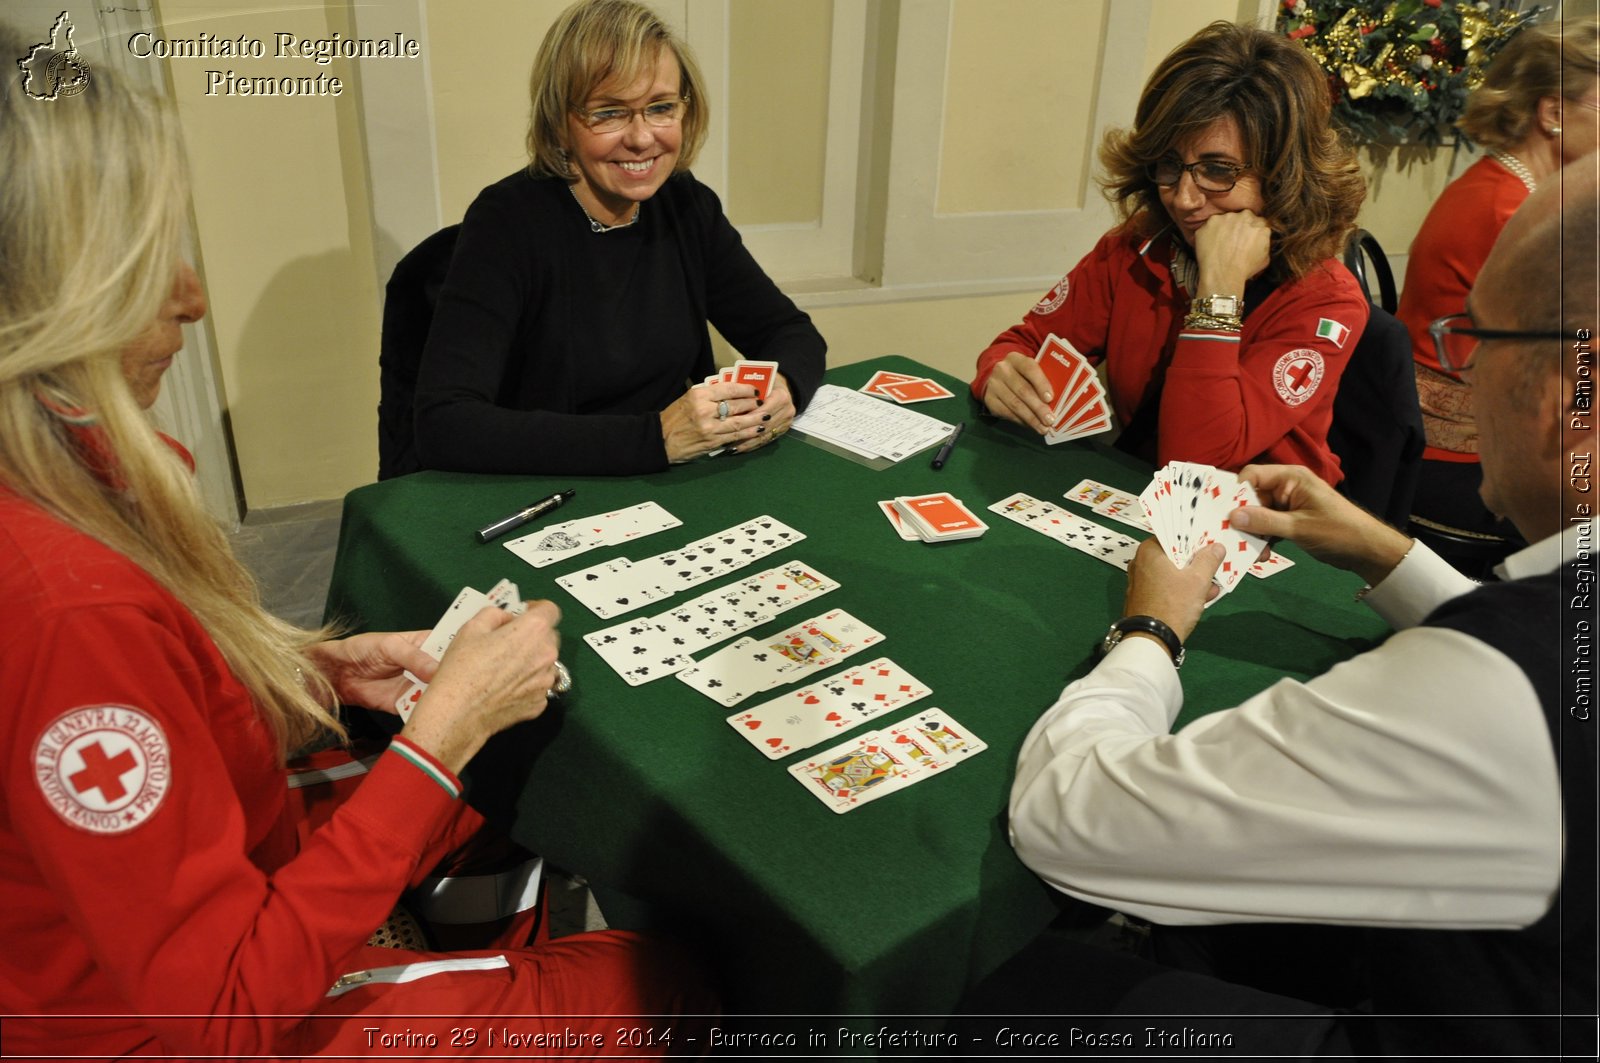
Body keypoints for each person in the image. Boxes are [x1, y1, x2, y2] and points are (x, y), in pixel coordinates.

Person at [0, 24, 712, 1060]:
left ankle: (459, 965)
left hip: (201, 907)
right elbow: (223, 1013)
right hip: (171, 1022)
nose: (194, 298)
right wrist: (438, 739)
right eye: (146, 263)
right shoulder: (70, 605)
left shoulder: (73, 496)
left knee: (519, 778)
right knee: (665, 981)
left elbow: (150, 705)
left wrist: (310, 668)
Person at [1002, 160, 1596, 1055]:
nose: (1460, 380)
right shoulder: (1131, 248)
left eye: (1473, 340)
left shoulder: (1504, 684)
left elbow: (1064, 816)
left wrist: (1152, 628)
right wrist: (1386, 551)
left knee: (1010, 994)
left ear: (1562, 402)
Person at [411, 0, 825, 476]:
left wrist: (784, 389)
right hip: (559, 485)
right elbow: (446, 424)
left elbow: (789, 333)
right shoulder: (506, 222)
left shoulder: (686, 205)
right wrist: (657, 438)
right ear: (560, 122)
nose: (642, 138)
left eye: (661, 108)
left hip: (675, 474)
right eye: (609, 113)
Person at [972, 22, 1368, 485]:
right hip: (1140, 497)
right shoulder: (1138, 246)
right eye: (1170, 164)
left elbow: (1195, 463)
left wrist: (1218, 292)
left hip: (1273, 529)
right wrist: (997, 374)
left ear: (1285, 176)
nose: (1183, 198)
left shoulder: (1327, 300)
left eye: (1218, 170)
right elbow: (1023, 345)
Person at [1397, 16, 1599, 566]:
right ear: (1553, 112)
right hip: (1462, 468)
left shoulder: (1520, 192)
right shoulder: (1512, 212)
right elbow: (1578, 367)